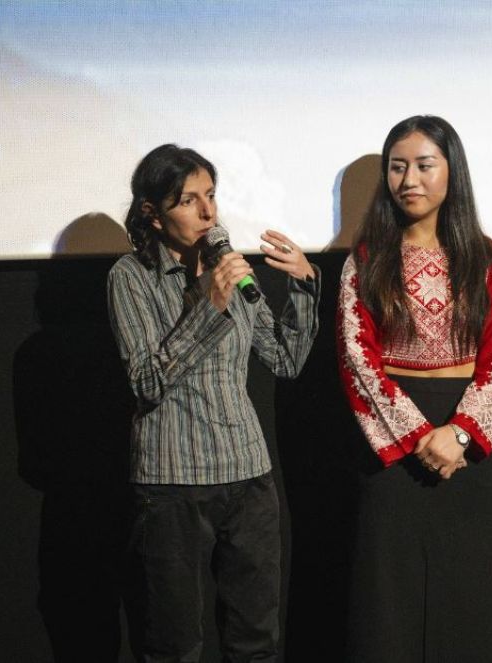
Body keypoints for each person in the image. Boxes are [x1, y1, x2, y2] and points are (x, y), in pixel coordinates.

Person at [107, 144, 320, 662]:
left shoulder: (228, 268)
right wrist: (208, 304)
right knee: (174, 644)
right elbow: (146, 382)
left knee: (256, 641)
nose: (208, 213)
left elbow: (285, 360)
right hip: (173, 482)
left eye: (211, 196)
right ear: (152, 214)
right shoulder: (130, 277)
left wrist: (303, 286)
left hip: (248, 476)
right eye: (188, 200)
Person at [336, 115, 492, 663]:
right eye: (397, 167)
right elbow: (357, 359)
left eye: (423, 165)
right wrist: (418, 435)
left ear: (451, 171)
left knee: (469, 595)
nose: (409, 180)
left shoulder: (488, 258)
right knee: (388, 598)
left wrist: (459, 434)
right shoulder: (365, 260)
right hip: (394, 445)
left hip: (467, 445)